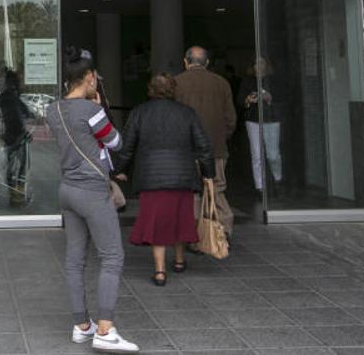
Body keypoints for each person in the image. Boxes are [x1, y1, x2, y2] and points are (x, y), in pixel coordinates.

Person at [46, 47, 138, 353]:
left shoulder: (53, 109)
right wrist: (99, 109)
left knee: (74, 260)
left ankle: (81, 326)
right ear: (87, 78)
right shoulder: (92, 110)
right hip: (92, 191)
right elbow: (116, 142)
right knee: (112, 257)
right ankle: (105, 329)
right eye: (94, 76)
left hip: (68, 190)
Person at [120, 73, 215, 286]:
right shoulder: (187, 113)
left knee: (157, 224)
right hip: (182, 175)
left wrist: (121, 169)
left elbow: (127, 146)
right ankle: (180, 261)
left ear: (150, 89)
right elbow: (204, 146)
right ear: (173, 89)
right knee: (181, 218)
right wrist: (209, 174)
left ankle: (160, 271)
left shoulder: (140, 112)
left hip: (151, 177)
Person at [173, 46, 236, 237]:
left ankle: (195, 235)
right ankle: (223, 232)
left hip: (187, 149)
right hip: (215, 148)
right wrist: (222, 137)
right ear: (207, 63)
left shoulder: (176, 83)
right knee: (216, 189)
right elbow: (230, 118)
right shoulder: (221, 83)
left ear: (185, 61)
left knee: (192, 193)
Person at [237, 57, 283, 193]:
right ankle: (260, 187)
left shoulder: (273, 81)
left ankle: (278, 178)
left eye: (262, 63)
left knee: (273, 154)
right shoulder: (247, 81)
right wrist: (248, 99)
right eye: (256, 63)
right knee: (256, 155)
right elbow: (240, 100)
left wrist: (269, 98)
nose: (259, 66)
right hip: (253, 119)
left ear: (267, 65)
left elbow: (283, 98)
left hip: (272, 119)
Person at [0, 70, 32, 206]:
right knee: (22, 166)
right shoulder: (12, 98)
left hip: (9, 136)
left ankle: (14, 195)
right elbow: (22, 115)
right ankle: (18, 196)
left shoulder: (6, 98)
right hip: (17, 137)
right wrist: (25, 133)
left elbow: (23, 113)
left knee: (12, 166)